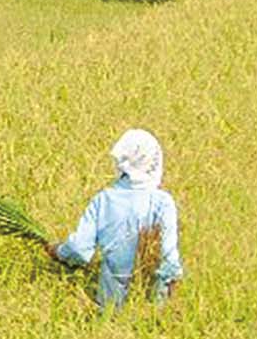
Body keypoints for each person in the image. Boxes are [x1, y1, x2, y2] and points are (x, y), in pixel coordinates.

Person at [44, 128, 183, 308]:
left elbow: (79, 249)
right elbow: (169, 259)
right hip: (152, 307)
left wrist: (58, 251)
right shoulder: (162, 202)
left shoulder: (103, 200)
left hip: (109, 305)